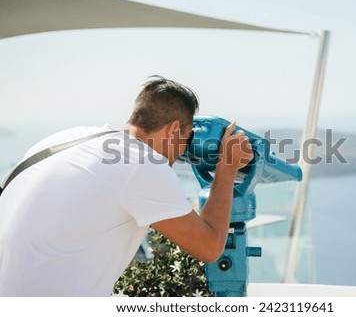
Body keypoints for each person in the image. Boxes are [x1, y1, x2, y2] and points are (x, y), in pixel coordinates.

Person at [0, 76, 253, 296]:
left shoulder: (66, 139)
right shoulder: (140, 163)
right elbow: (209, 247)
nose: (183, 155)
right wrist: (226, 169)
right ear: (175, 129)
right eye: (186, 141)